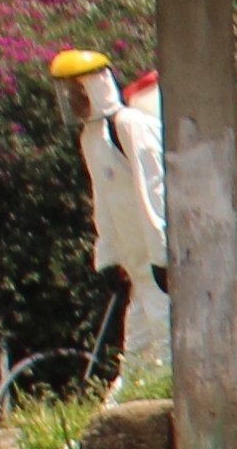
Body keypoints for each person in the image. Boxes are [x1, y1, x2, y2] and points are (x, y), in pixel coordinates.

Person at [42, 48, 170, 382]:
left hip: (156, 266)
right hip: (137, 268)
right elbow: (104, 202)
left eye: (77, 90)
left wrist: (162, 256)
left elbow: (154, 189)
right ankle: (111, 423)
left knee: (170, 348)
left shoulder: (129, 125)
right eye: (67, 92)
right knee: (137, 358)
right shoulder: (91, 137)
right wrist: (110, 258)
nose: (72, 99)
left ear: (96, 86)